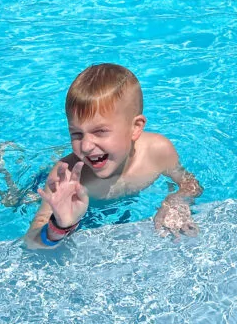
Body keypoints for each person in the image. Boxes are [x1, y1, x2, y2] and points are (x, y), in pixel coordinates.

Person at [24, 63, 202, 249]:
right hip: (77, 207)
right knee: (17, 198)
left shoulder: (158, 152)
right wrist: (60, 226)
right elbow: (30, 241)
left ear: (135, 128)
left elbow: (190, 184)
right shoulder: (66, 176)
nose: (85, 146)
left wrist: (175, 202)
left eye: (100, 131)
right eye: (76, 134)